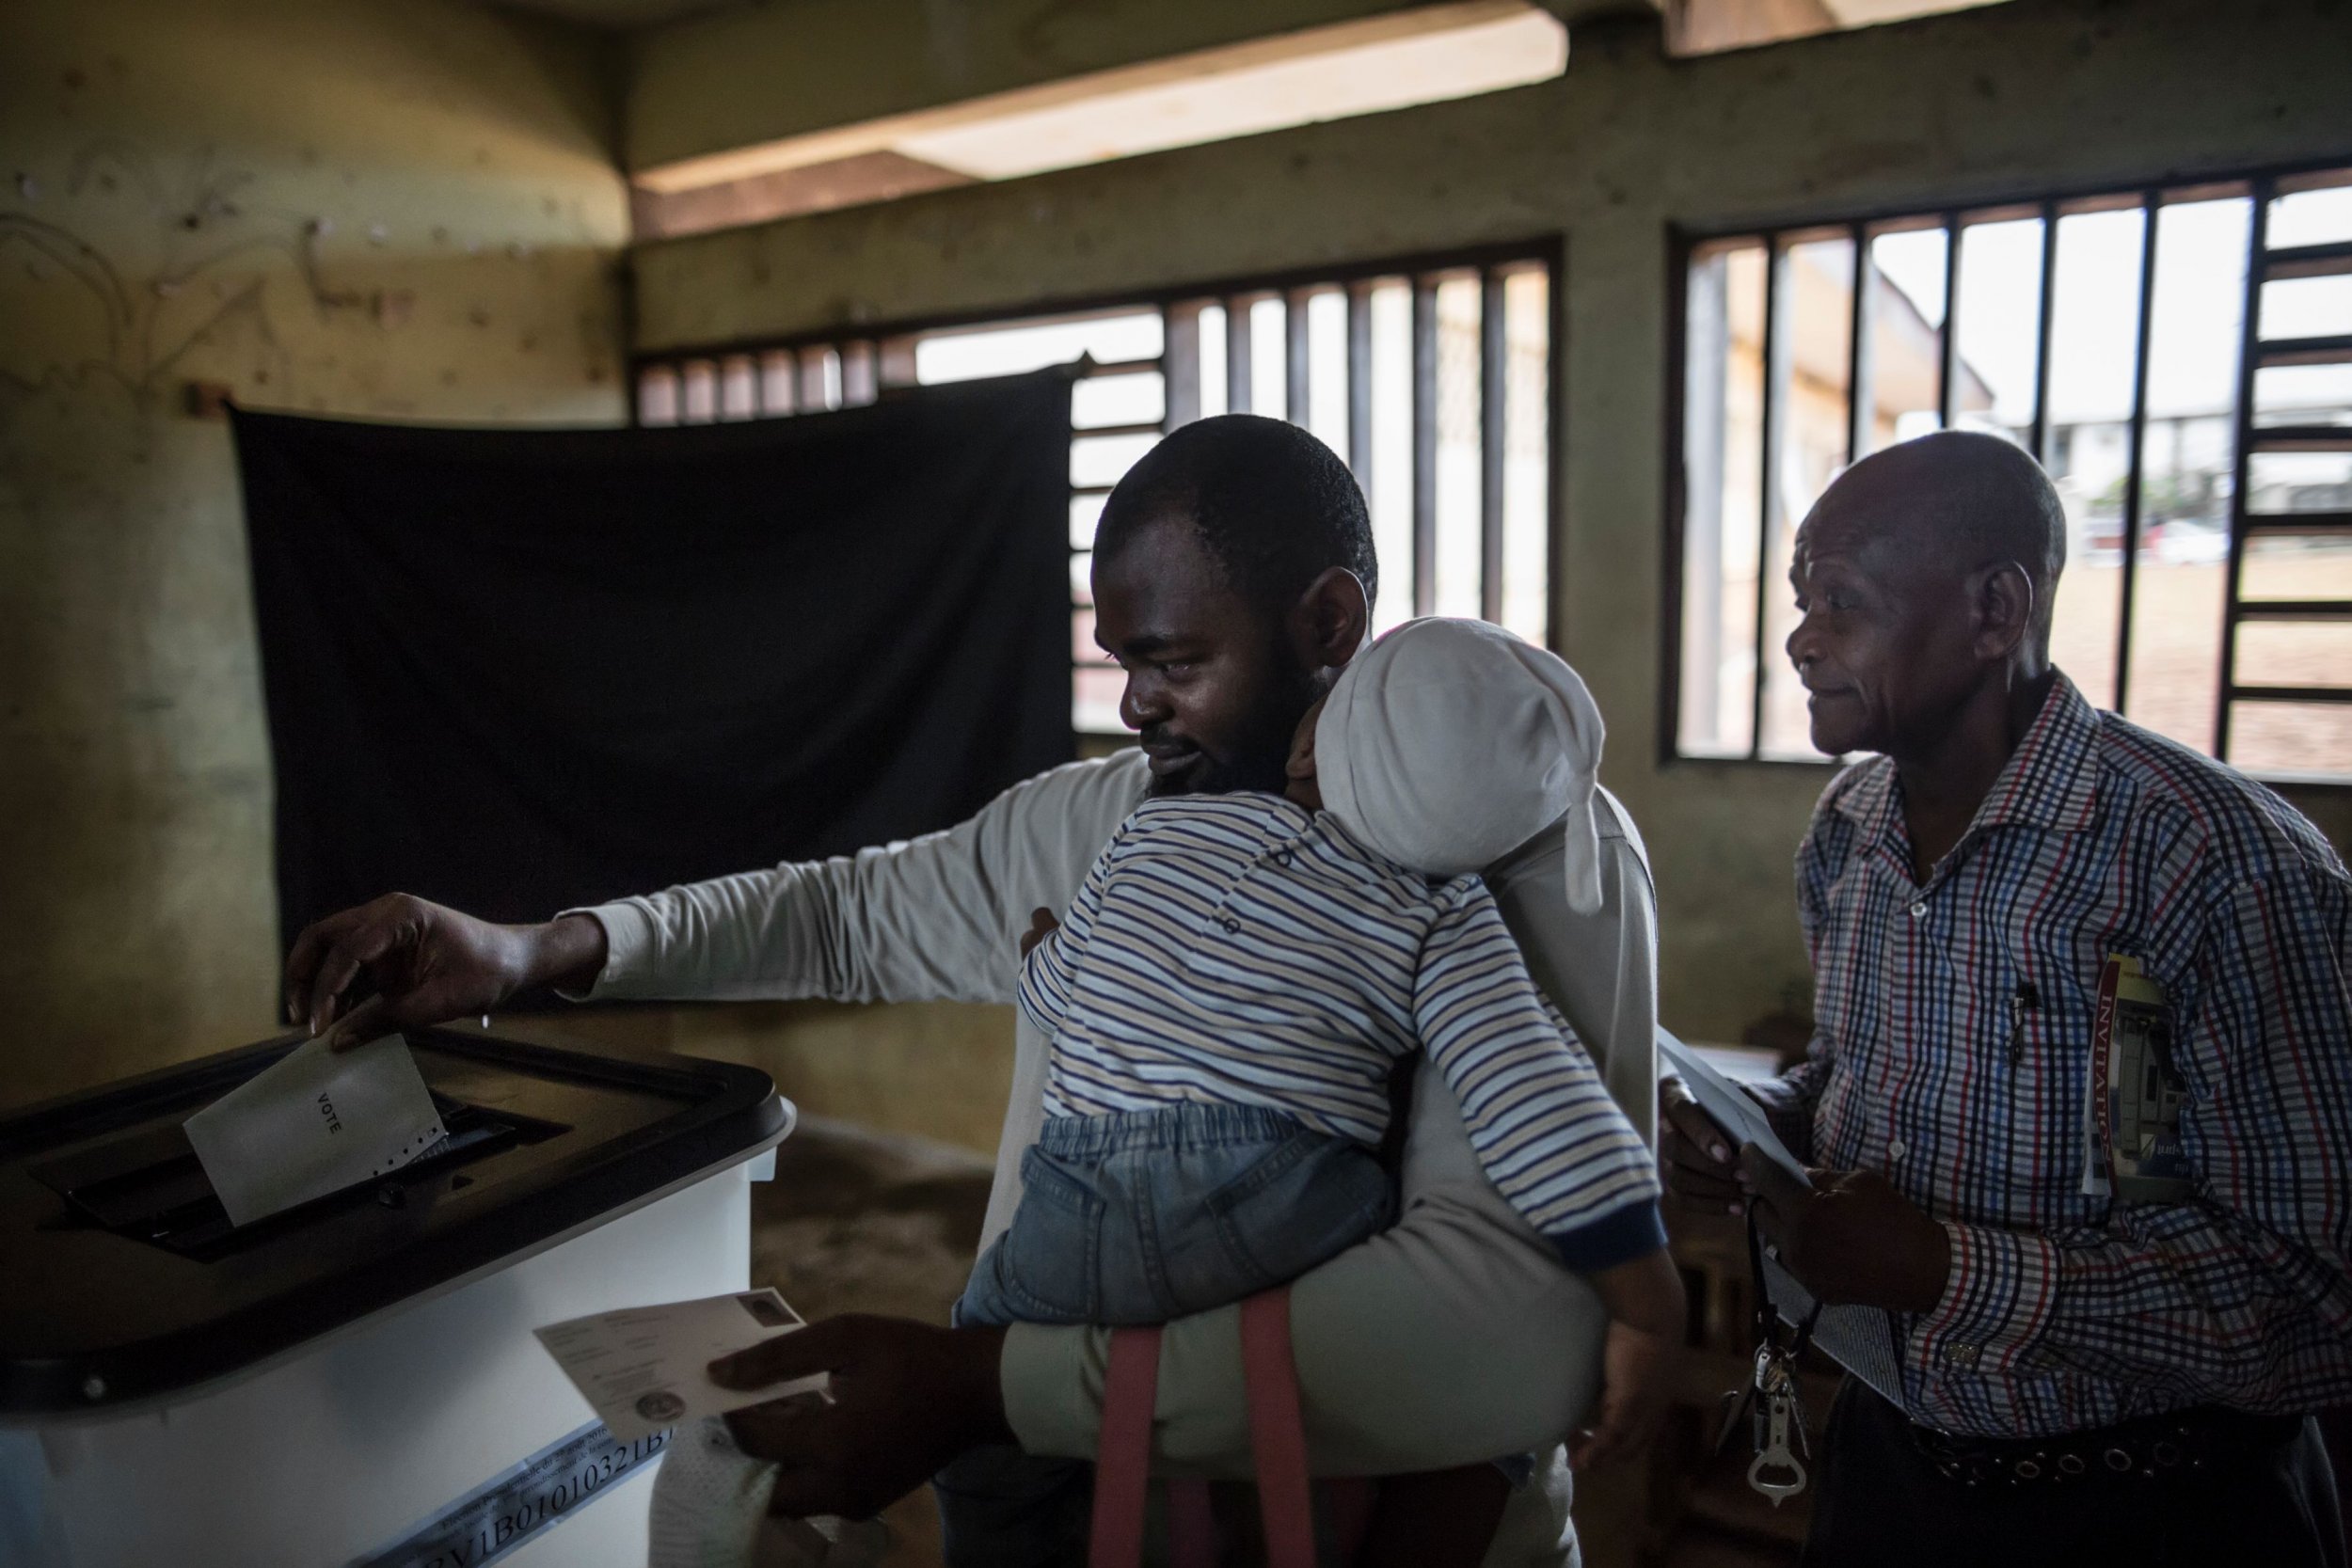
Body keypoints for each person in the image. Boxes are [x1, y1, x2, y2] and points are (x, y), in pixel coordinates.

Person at [284, 415, 1669, 1566]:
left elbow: (1508, 1327)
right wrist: (538, 949)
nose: (1136, 707)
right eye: (1125, 662)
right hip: (1092, 1496)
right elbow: (845, 914)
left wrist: (981, 1387)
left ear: (1328, 618)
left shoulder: (1514, 859)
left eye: (1176, 663)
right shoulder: (1108, 815)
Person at [1659, 430, 2352, 1567]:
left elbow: (2316, 1298)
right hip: (1894, 1475)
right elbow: (1847, 1073)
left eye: (1840, 597)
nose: (1797, 636)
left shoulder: (2214, 862)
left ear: (1993, 610)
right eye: (1797, 595)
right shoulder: (1849, 833)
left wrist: (1944, 1268)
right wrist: (1768, 1131)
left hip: (2161, 1508)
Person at [953, 617, 1681, 1562]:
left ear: (1307, 741)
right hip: (1271, 1212)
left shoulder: (1154, 829)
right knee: (1348, 1355)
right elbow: (1543, 1111)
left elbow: (1057, 990)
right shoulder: (1445, 909)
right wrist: (1645, 1300)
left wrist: (1036, 953)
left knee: (979, 1391)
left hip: (1074, 1204)